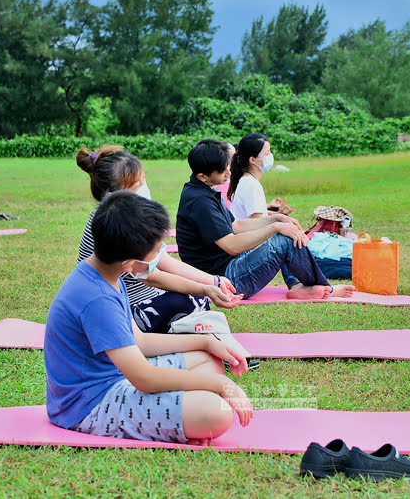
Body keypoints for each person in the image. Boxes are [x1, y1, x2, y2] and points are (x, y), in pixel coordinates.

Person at [45, 190, 252, 443]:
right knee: (216, 413)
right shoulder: (97, 298)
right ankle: (185, 416)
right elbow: (143, 377)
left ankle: (182, 413)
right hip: (90, 405)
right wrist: (221, 386)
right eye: (155, 253)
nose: (159, 258)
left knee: (208, 360)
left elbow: (140, 342)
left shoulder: (107, 274)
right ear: (130, 263)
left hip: (117, 376)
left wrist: (206, 341)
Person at [76, 145, 240, 334]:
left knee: (194, 297)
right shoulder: (114, 228)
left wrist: (214, 281)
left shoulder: (124, 218)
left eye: (143, 179)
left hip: (142, 300)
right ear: (114, 196)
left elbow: (163, 261)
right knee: (190, 299)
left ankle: (205, 340)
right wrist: (205, 288)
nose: (144, 188)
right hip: (118, 313)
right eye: (137, 185)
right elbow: (152, 276)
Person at [176, 138, 354, 300]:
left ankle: (301, 286)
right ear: (202, 176)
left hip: (229, 265)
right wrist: (275, 228)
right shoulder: (199, 201)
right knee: (284, 239)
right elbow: (231, 246)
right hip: (224, 281)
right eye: (223, 170)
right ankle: (325, 288)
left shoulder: (206, 189)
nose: (229, 173)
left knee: (285, 233)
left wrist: (275, 218)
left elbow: (235, 225)